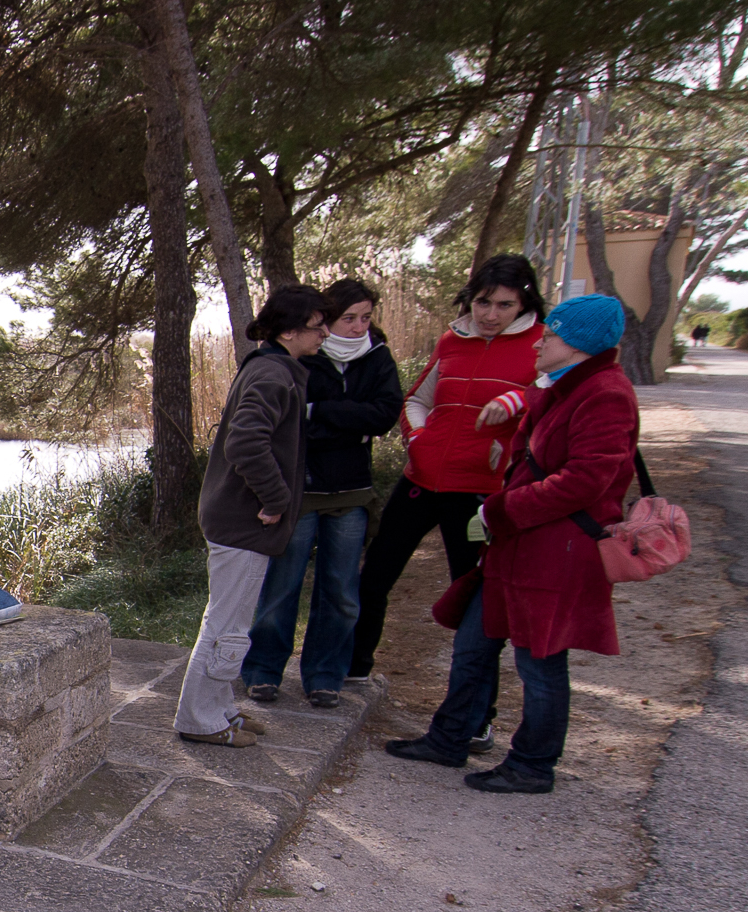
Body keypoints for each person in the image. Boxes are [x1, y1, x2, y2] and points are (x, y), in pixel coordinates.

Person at [383, 293, 638, 793]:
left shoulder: (605, 393)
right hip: (516, 544)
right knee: (474, 641)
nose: (541, 339)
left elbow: (587, 480)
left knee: (539, 660)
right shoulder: (561, 386)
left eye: (555, 334)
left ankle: (533, 764)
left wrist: (501, 508)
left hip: (556, 551)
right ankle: (450, 737)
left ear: (581, 345)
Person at [349, 254, 546, 750]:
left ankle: (477, 718)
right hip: (421, 480)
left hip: (480, 493)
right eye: (483, 302)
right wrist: (417, 439)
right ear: (469, 299)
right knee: (373, 578)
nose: (490, 314)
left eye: (504, 305)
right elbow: (416, 398)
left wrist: (517, 406)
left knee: (476, 604)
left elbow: (550, 398)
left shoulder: (541, 344)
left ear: (523, 303)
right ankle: (353, 672)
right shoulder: (451, 340)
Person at [241, 279, 402, 709]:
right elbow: (294, 427)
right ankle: (262, 671)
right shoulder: (301, 358)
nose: (356, 327)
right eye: (347, 318)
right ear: (325, 320)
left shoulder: (378, 357)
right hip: (303, 489)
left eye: (365, 318)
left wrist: (326, 413)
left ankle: (325, 676)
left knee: (341, 592)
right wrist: (352, 425)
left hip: (352, 490)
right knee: (282, 586)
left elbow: (385, 415)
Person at [175, 285, 325, 747]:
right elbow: (245, 441)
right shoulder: (272, 376)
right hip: (244, 521)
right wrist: (277, 499)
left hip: (238, 520)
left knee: (230, 622)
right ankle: (200, 720)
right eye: (317, 328)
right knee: (224, 625)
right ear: (290, 331)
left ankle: (219, 708)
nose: (324, 336)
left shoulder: (271, 368)